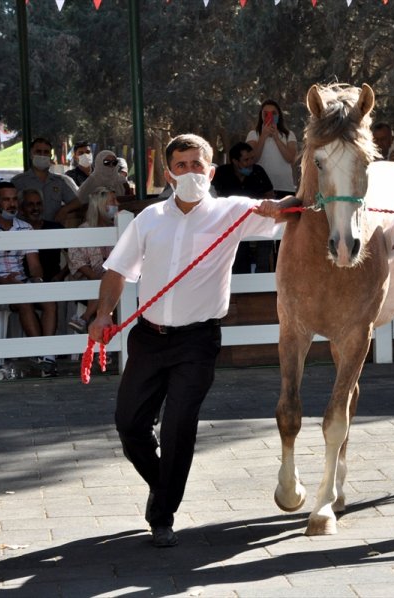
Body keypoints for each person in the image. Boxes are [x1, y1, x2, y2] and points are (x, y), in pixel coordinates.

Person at [88, 134, 298, 547]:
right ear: (168, 174)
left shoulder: (232, 211)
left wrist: (281, 206)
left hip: (197, 341)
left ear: (211, 170)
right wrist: (102, 314)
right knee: (129, 425)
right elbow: (116, 271)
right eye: (180, 166)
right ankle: (162, 485)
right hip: (148, 338)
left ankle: (162, 515)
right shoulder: (148, 218)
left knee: (179, 428)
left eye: (196, 165)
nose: (189, 172)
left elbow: (292, 211)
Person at [0, 182, 58, 377]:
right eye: (6, 200)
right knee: (24, 301)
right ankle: (40, 354)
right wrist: (3, 281)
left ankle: (48, 356)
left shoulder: (25, 228)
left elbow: (34, 264)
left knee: (49, 301)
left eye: (15, 199)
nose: (12, 204)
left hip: (21, 282)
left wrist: (37, 280)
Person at [212, 141, 276, 273]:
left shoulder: (258, 171)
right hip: (232, 221)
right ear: (235, 161)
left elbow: (270, 196)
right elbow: (213, 196)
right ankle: (240, 283)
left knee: (266, 244)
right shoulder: (222, 173)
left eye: (252, 158)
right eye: (246, 160)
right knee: (238, 253)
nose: (251, 162)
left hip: (259, 217)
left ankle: (262, 280)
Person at [66, 186, 118, 333]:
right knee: (103, 284)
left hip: (113, 278)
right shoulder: (84, 230)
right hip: (90, 279)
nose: (117, 204)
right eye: (112, 201)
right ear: (101, 205)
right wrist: (96, 277)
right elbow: (77, 261)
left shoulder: (118, 227)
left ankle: (84, 317)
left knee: (108, 282)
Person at [11, 137, 81, 224]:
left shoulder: (58, 182)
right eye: (38, 151)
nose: (42, 155)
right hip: (26, 231)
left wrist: (64, 210)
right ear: (31, 155)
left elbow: (76, 202)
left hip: (52, 231)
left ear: (50, 156)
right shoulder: (18, 181)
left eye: (46, 152)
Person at [246, 100, 298, 194]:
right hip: (260, 187)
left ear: (279, 116)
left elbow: (291, 159)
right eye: (266, 114)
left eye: (273, 113)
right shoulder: (253, 134)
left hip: (285, 187)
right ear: (261, 116)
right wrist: (263, 136)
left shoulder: (289, 135)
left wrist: (276, 138)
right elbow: (252, 160)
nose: (270, 116)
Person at [19, 189, 68, 283]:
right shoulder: (16, 230)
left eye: (38, 204)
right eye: (30, 204)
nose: (35, 208)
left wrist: (60, 276)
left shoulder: (55, 228)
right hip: (24, 286)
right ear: (21, 209)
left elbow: (76, 255)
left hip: (53, 285)